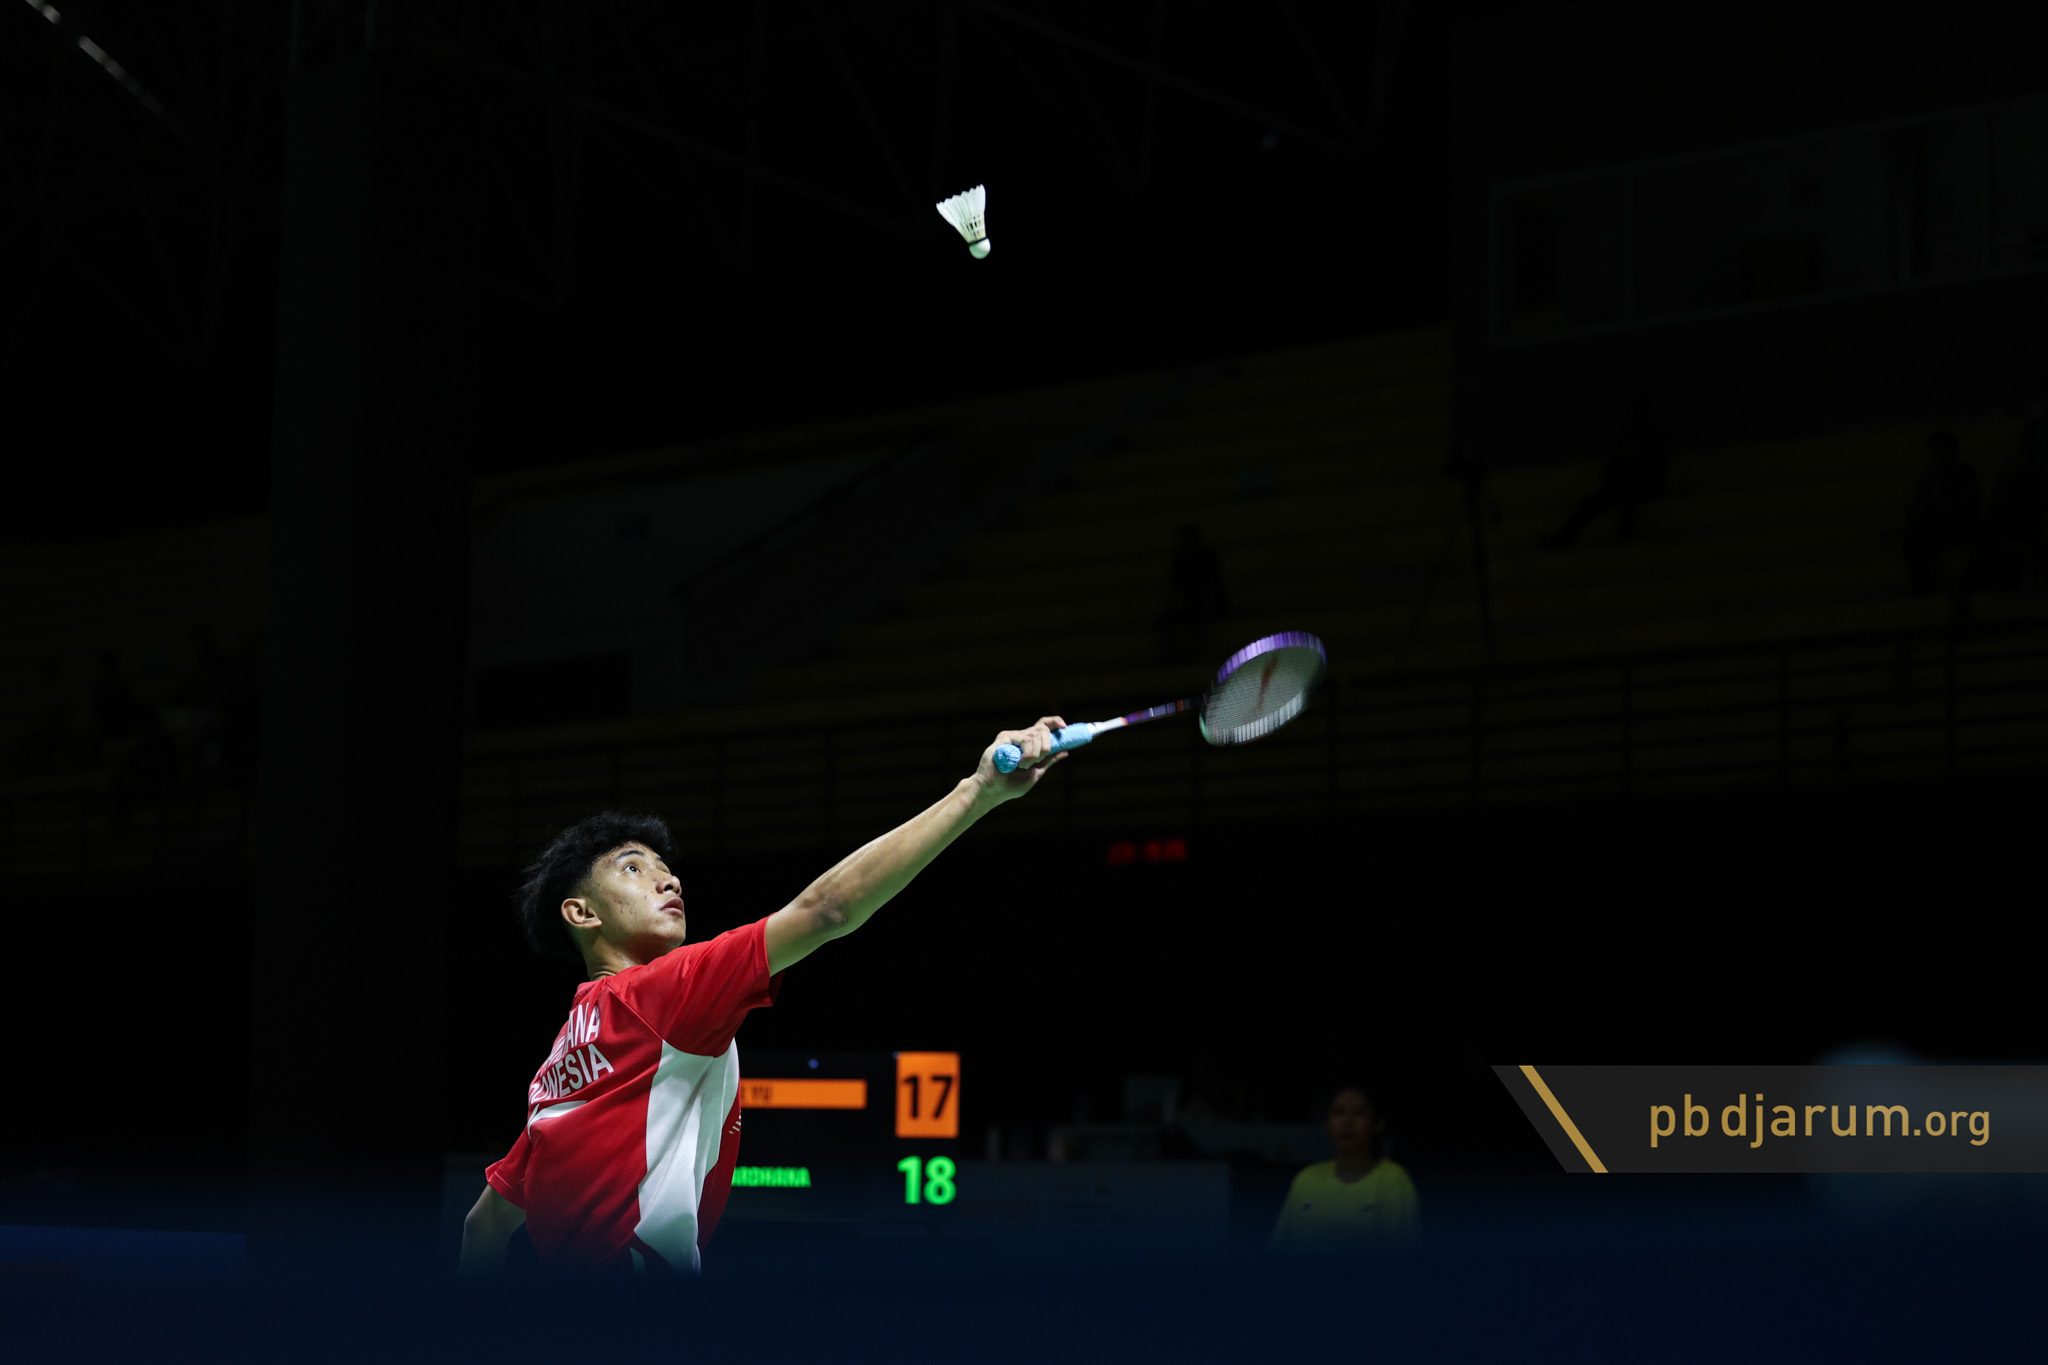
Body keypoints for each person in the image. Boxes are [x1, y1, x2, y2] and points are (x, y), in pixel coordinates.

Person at [457, 715, 1074, 1279]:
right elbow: (827, 910)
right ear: (581, 913)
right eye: (633, 868)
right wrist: (978, 790)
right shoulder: (660, 993)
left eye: (666, 868)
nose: (669, 879)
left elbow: (483, 1224)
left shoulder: (556, 1071)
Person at [1267, 1084, 1418, 1256]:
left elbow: (1402, 1256)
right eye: (1339, 1113)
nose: (1347, 1123)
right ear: (1328, 1123)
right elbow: (1279, 1250)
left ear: (1377, 1124)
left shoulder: (1393, 1180)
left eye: (1359, 1114)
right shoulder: (1306, 1179)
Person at [1539, 390, 1668, 549]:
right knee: (1589, 502)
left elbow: (1656, 468)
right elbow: (1608, 468)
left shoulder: (1652, 439)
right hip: (1620, 487)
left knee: (1627, 499)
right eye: (1629, 413)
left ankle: (1624, 540)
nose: (1630, 418)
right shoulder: (1622, 440)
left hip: (1642, 486)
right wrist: (1614, 478)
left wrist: (1634, 476)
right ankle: (1564, 538)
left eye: (1634, 413)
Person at [1902, 428, 1981, 595]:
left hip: (1962, 527)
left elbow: (1968, 505)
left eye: (1944, 450)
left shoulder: (1966, 475)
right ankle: (1923, 586)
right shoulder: (1926, 481)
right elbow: (1919, 507)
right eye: (1937, 451)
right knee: (1914, 541)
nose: (1941, 455)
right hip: (1935, 529)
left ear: (1953, 451)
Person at [1155, 525, 1230, 664]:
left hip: (1207, 605)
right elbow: (1173, 587)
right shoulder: (1179, 560)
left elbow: (1215, 587)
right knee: (1163, 623)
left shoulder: (1207, 558)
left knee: (1195, 623)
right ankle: (1167, 656)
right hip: (1188, 606)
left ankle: (1189, 657)